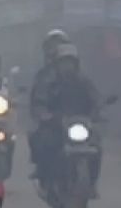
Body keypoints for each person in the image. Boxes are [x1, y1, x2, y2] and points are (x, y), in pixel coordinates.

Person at [34, 42, 102, 188]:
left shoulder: (84, 82)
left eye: (70, 62)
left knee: (97, 147)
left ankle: (92, 182)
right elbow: (40, 101)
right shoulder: (49, 82)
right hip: (57, 125)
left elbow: (96, 99)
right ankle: (45, 179)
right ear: (57, 64)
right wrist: (45, 115)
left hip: (82, 124)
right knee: (46, 143)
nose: (67, 66)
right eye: (64, 62)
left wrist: (97, 112)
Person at [27, 30, 68, 178]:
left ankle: (92, 180)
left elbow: (91, 93)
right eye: (52, 46)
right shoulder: (43, 75)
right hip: (53, 120)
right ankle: (42, 169)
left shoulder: (78, 74)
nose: (55, 49)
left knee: (95, 144)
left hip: (75, 118)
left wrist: (98, 108)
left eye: (60, 45)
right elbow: (36, 99)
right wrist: (43, 113)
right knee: (38, 137)